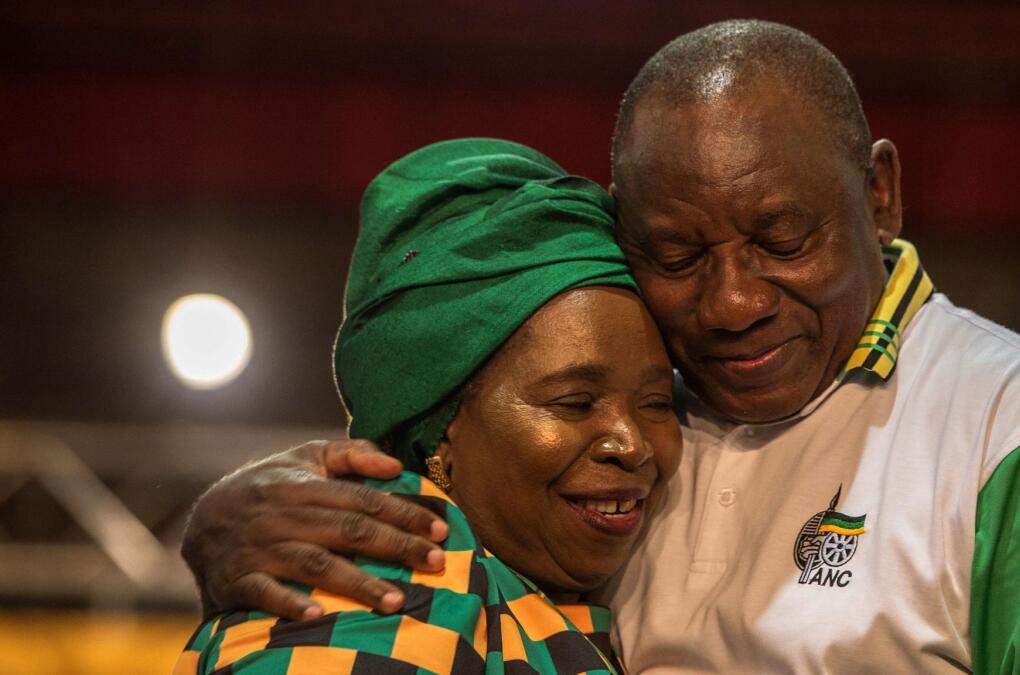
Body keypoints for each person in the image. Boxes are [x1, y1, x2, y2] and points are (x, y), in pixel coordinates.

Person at [181, 20, 1020, 673]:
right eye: (676, 253)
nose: (732, 299)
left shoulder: (1019, 433)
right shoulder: (650, 402)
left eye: (782, 239)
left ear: (879, 194)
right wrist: (226, 521)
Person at [174, 138, 682, 674]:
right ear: (439, 425)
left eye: (656, 401)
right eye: (575, 402)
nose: (633, 443)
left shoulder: (536, 598)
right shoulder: (398, 580)